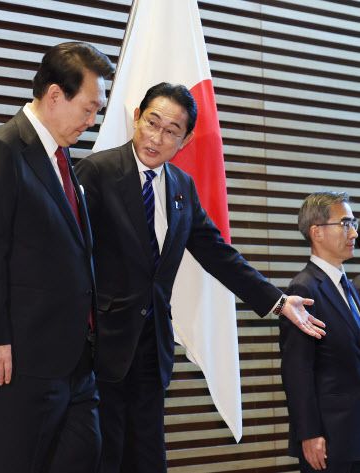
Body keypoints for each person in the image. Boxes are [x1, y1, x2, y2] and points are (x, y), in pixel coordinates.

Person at [75, 82, 326, 473]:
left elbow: (218, 254)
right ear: (137, 118)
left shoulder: (182, 186)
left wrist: (278, 301)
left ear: (186, 139)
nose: (157, 138)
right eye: (152, 123)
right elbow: (72, 255)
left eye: (171, 131)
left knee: (148, 459)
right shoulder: (97, 171)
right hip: (100, 347)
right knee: (103, 458)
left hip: (152, 347)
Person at [0, 42, 113, 473]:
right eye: (89, 108)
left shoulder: (61, 159)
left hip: (72, 362)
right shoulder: (1, 150)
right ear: (55, 95)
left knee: (84, 454)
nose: (92, 121)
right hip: (15, 361)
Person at [280, 191, 360, 473]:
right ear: (317, 232)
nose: (354, 232)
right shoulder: (304, 289)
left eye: (353, 223)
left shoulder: (349, 287)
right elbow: (297, 369)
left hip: (353, 434)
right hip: (329, 438)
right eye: (345, 223)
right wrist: (309, 433)